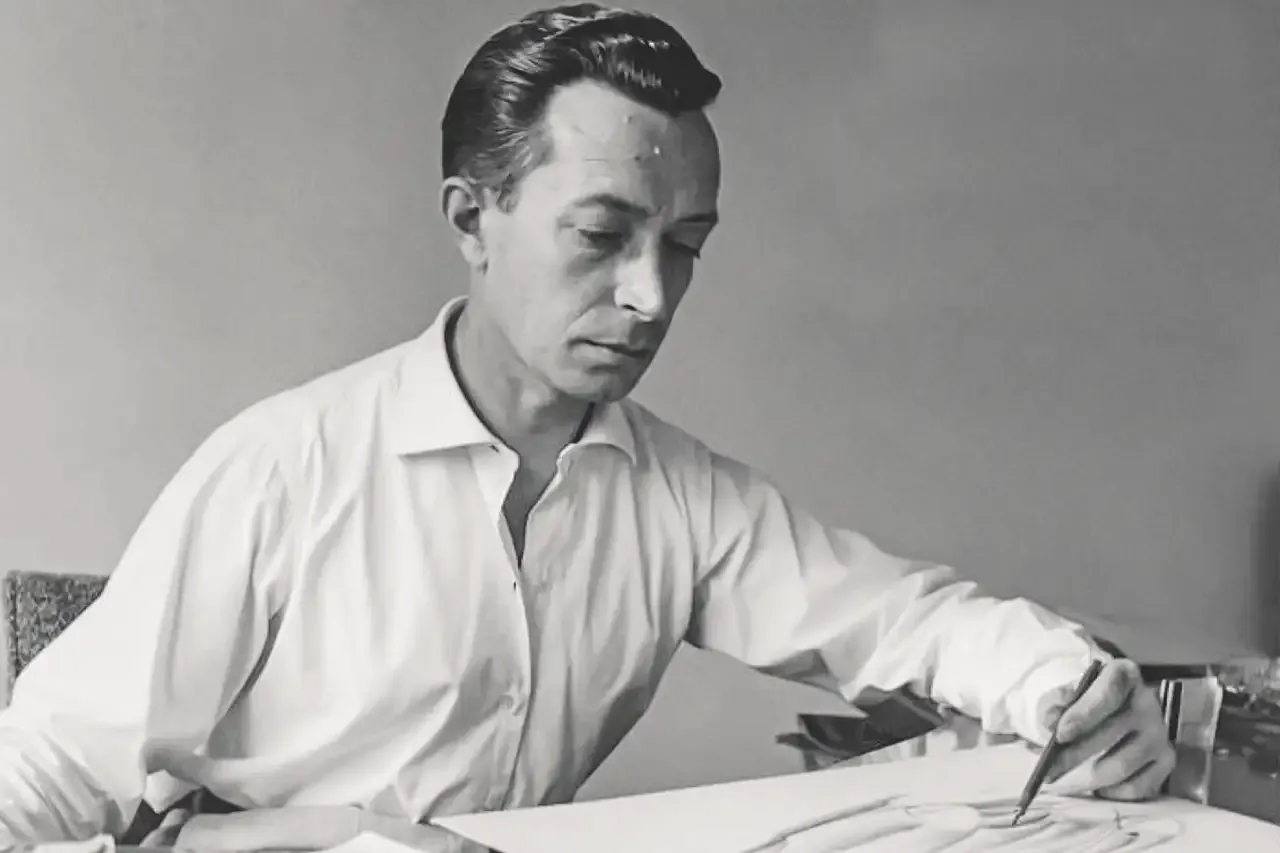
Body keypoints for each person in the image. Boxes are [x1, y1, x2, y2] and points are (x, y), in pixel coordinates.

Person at [0, 4, 1174, 850]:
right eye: (602, 235)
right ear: (473, 218)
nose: (651, 296)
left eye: (685, 246)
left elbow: (902, 620)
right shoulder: (283, 466)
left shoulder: (680, 498)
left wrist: (1065, 683)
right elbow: (37, 780)